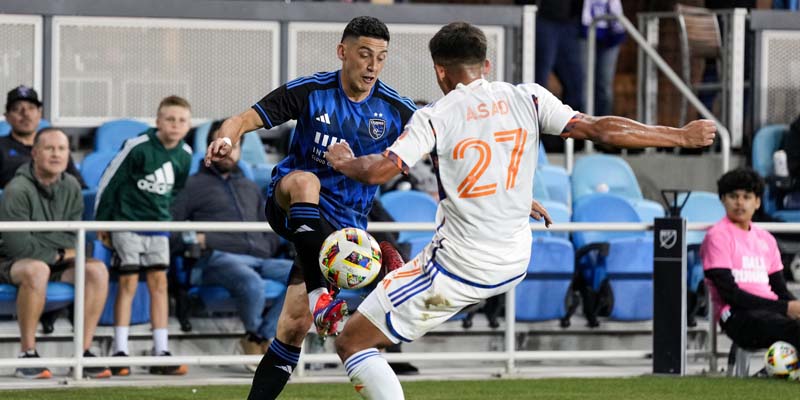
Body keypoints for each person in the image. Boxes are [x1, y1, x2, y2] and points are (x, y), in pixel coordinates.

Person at [323, 21, 716, 399]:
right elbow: (599, 129)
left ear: (440, 72)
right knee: (372, 317)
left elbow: (377, 171)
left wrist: (343, 161)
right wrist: (678, 135)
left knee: (352, 342)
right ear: (486, 66)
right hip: (515, 259)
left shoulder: (436, 116)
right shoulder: (527, 97)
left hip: (459, 266)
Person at [204, 16, 415, 400]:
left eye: (381, 58)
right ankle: (324, 295)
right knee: (307, 181)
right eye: (364, 54)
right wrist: (226, 138)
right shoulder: (313, 90)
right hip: (291, 201)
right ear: (342, 52)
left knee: (292, 327)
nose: (372, 65)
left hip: (341, 229)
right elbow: (243, 119)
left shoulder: (395, 109)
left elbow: (446, 151)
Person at [170, 119, 293, 371]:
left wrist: (265, 247)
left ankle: (258, 337)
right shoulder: (191, 185)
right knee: (252, 283)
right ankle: (258, 338)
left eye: (235, 145)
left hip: (261, 259)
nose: (229, 151)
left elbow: (271, 229)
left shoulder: (249, 186)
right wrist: (206, 239)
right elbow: (173, 231)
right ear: (210, 148)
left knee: (303, 276)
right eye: (223, 145)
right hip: (216, 259)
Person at [94, 95, 193, 376]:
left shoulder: (185, 155)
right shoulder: (137, 147)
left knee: (159, 283)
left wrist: (162, 214)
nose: (175, 124)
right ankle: (120, 350)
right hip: (127, 223)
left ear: (188, 126)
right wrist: (103, 223)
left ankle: (160, 350)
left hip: (158, 225)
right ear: (158, 121)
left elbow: (176, 190)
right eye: (170, 119)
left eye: (181, 120)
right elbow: (109, 182)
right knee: (127, 282)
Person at [0, 128, 110, 379]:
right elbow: (19, 247)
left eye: (61, 149)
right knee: (37, 269)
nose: (56, 154)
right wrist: (60, 252)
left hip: (52, 260)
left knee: (96, 269)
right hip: (8, 260)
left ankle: (82, 353)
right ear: (35, 153)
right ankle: (27, 354)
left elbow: (72, 237)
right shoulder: (17, 189)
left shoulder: (71, 185)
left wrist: (55, 248)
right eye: (49, 149)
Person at [701, 168, 800, 352]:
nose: (740, 203)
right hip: (737, 316)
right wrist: (785, 308)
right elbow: (731, 295)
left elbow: (781, 290)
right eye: (733, 196)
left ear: (757, 202)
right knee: (793, 329)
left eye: (746, 197)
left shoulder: (766, 239)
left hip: (771, 312)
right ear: (723, 199)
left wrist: (794, 307)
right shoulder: (717, 237)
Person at [0, 86, 86, 188]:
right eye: (17, 109)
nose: (26, 114)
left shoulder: (56, 146)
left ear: (39, 114)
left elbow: (80, 189)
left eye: (31, 108)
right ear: (7, 117)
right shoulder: (1, 147)